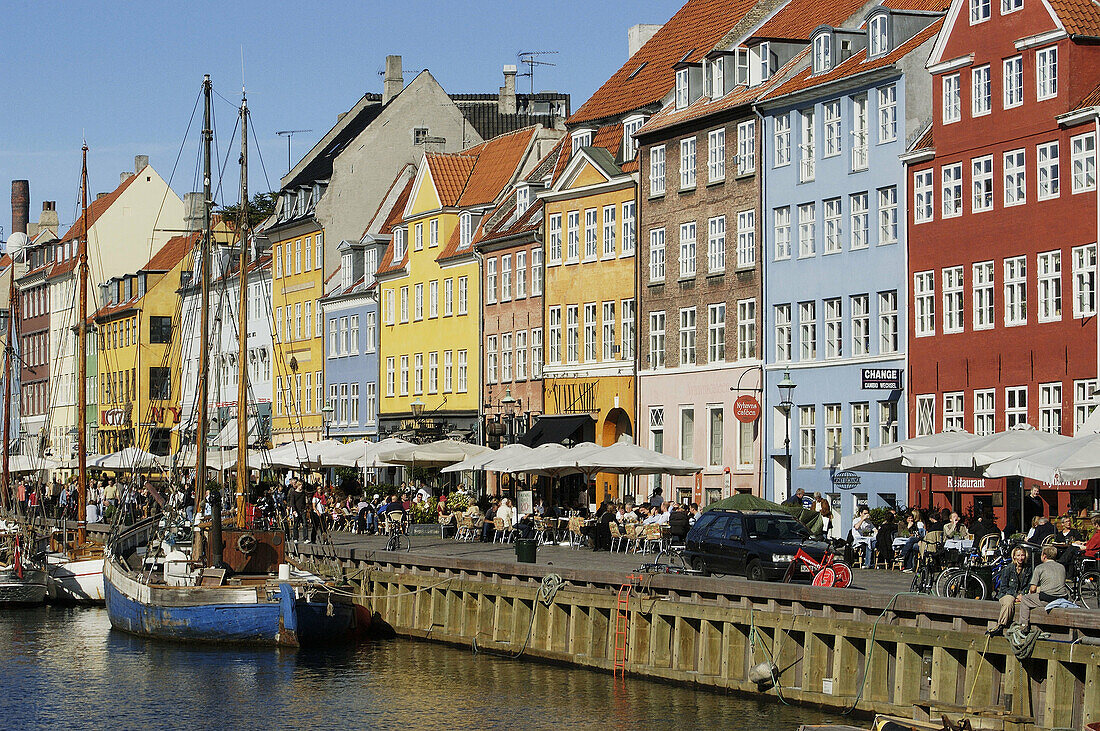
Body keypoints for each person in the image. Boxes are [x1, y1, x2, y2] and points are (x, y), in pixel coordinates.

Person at [1017, 545, 1069, 630]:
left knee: (1025, 599)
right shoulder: (1061, 567)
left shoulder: (1039, 568)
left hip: (1048, 599)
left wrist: (1030, 594)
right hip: (1062, 597)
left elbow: (1032, 589)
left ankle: (1024, 625)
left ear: (1044, 556)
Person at [987, 546, 1033, 635]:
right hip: (1007, 594)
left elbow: (1029, 585)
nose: (1020, 558)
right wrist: (1016, 595)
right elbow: (1003, 588)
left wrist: (1023, 595)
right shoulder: (1008, 569)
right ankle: (1000, 625)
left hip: (1022, 595)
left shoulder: (1028, 569)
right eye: (1018, 555)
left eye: (1022, 555)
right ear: (1014, 556)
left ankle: (1024, 627)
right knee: (1009, 601)